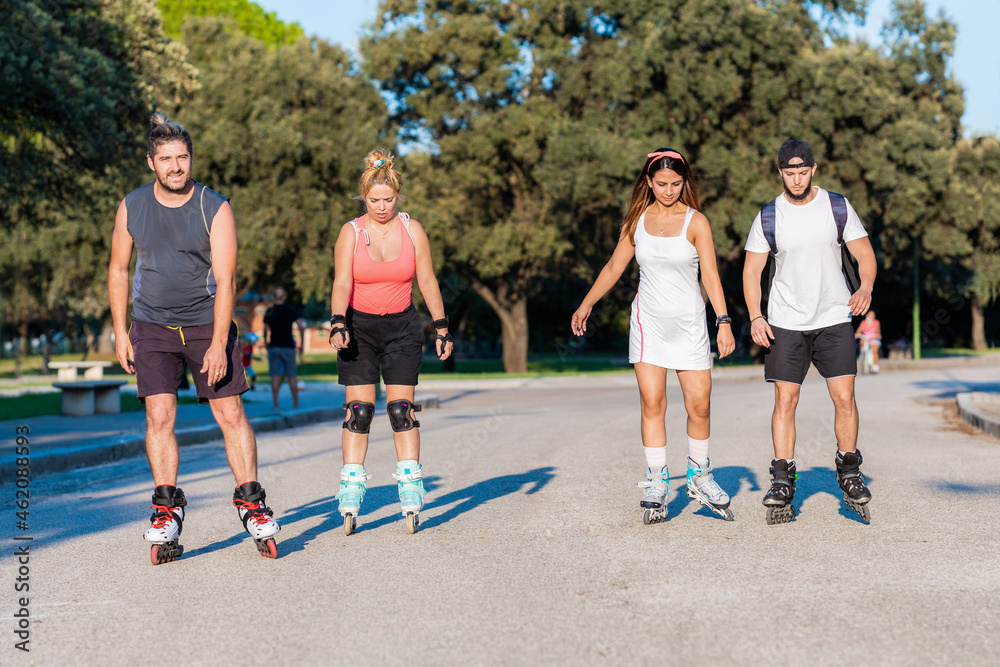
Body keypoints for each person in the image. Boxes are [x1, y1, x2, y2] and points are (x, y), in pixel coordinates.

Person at [108, 113, 280, 563]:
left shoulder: (214, 206)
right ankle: (166, 510)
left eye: (182, 157)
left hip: (206, 324)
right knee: (159, 415)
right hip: (151, 326)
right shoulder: (132, 206)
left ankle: (252, 503)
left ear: (191, 159)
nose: (175, 166)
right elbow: (119, 270)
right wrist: (120, 330)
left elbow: (227, 280)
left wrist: (220, 342)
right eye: (166, 159)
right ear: (151, 162)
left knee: (231, 412)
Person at [571, 148, 737, 524]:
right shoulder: (637, 221)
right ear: (648, 182)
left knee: (700, 405)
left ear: (684, 182)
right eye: (661, 183)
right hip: (649, 324)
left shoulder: (696, 222)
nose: (668, 190)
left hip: (689, 325)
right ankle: (657, 482)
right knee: (652, 402)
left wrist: (723, 320)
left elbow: (710, 274)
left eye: (676, 184)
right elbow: (614, 267)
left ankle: (699, 476)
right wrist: (586, 304)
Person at [742, 139, 877, 524]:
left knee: (845, 397)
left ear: (813, 169)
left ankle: (849, 471)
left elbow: (864, 254)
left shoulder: (837, 206)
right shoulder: (769, 215)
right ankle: (782, 480)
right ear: (780, 172)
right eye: (790, 173)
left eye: (803, 172)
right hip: (785, 321)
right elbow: (751, 271)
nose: (797, 179)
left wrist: (865, 288)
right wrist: (756, 316)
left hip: (833, 315)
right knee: (785, 401)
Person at [328, 148, 454, 534]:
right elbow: (342, 282)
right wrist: (337, 322)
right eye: (374, 200)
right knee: (358, 412)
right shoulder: (351, 232)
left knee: (402, 409)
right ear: (363, 198)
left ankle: (411, 483)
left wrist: (442, 327)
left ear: (397, 196)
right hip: (358, 329)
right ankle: (351, 486)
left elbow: (427, 280)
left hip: (402, 327)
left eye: (388, 199)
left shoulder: (413, 230)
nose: (382, 207)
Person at [263, 287, 305, 410]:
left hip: (274, 347)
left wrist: (266, 341)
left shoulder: (270, 311)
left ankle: (276, 405)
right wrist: (302, 343)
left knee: (275, 376)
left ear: (273, 297)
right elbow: (301, 325)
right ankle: (296, 405)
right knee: (292, 376)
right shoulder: (291, 310)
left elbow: (265, 329)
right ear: (284, 297)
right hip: (288, 347)